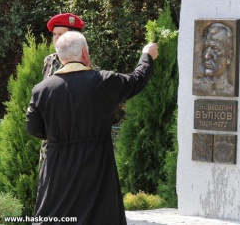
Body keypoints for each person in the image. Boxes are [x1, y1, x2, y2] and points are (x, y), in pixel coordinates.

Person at [26, 31, 158, 224]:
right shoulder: (104, 81)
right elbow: (137, 80)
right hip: (96, 165)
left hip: (58, 167)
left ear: (60, 56)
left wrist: (61, 136)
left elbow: (33, 127)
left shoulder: (41, 90)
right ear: (85, 54)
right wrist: (147, 55)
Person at [38, 13, 90, 171]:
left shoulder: (86, 65)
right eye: (54, 34)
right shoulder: (50, 60)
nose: (56, 39)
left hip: (74, 141)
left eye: (61, 34)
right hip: (50, 140)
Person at [192, 22, 234, 96]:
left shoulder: (231, 90)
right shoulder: (197, 87)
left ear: (228, 57)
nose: (207, 56)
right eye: (206, 47)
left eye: (215, 48)